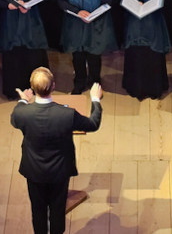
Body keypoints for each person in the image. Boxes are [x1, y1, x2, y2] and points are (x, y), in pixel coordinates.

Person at [11, 68, 103, 234]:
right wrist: (95, 99)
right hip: (59, 171)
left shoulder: (21, 113)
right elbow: (93, 124)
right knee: (57, 210)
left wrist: (23, 100)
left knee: (37, 211)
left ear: (32, 88)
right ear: (53, 86)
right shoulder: (67, 114)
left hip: (33, 171)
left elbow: (14, 120)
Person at [58, 0, 117, 94]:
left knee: (94, 55)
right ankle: (79, 82)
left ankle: (95, 82)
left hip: (95, 24)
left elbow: (107, 1)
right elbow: (61, 0)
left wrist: (93, 14)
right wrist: (77, 12)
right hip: (76, 25)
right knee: (77, 55)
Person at [0, 0, 50, 99]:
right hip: (10, 21)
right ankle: (14, 90)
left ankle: (35, 87)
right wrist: (9, 5)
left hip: (29, 20)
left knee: (31, 53)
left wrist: (27, 4)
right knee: (13, 55)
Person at [121, 0, 171, 100]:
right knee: (135, 55)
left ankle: (154, 89)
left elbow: (164, 5)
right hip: (134, 25)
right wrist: (133, 5)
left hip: (152, 25)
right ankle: (135, 88)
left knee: (152, 56)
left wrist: (149, 6)